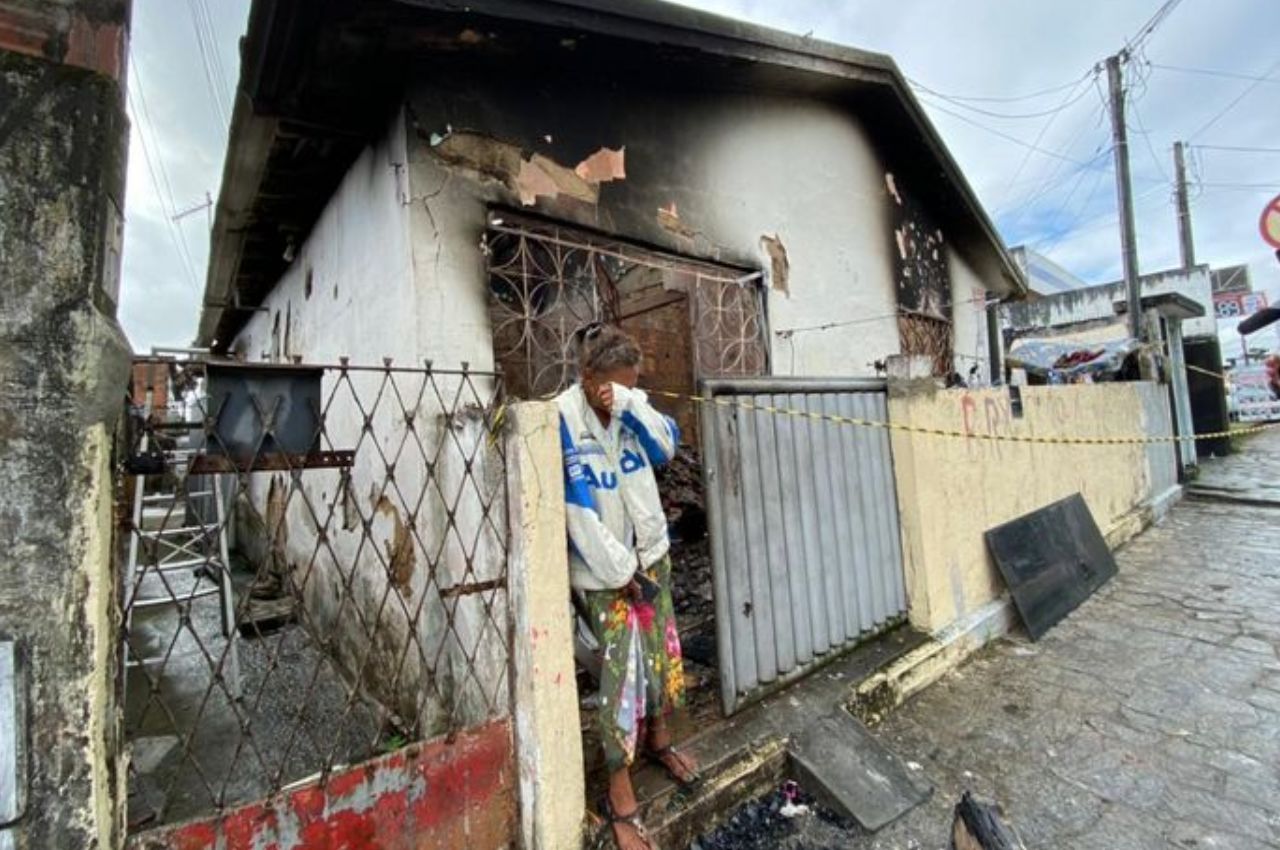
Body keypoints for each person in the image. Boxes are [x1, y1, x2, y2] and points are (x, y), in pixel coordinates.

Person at [556, 323, 699, 850]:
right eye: (615, 382)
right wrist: (623, 573)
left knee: (661, 655)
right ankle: (618, 790)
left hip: (652, 557)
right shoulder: (562, 420)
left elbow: (666, 447)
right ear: (588, 377)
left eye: (632, 382)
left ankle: (660, 739)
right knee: (624, 673)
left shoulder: (632, 409)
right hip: (604, 574)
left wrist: (632, 403)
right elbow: (577, 513)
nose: (623, 389)